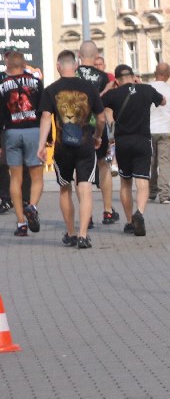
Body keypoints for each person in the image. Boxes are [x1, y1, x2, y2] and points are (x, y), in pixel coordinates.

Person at [37, 49, 107, 249]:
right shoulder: (89, 88)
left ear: (58, 66)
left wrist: (41, 146)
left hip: (62, 148)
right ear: (76, 66)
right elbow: (101, 118)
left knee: (65, 188)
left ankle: (71, 233)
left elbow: (45, 118)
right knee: (85, 189)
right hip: (85, 145)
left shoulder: (51, 90)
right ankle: (84, 235)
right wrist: (97, 136)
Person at [102, 65, 166, 238]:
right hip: (143, 141)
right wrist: (142, 84)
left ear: (116, 80)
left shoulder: (114, 94)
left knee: (125, 183)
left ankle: (130, 222)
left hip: (123, 143)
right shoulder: (146, 90)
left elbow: (96, 104)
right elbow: (163, 101)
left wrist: (108, 89)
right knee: (142, 180)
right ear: (133, 76)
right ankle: (140, 212)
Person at [1, 48, 44, 236]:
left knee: (15, 178)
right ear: (25, 65)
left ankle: (20, 223)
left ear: (8, 66)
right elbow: (44, 111)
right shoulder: (36, 82)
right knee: (36, 176)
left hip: (11, 132)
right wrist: (47, 139)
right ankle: (32, 206)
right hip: (33, 131)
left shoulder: (2, 84)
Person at [77, 40, 119, 227]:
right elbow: (103, 106)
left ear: (79, 56)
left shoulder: (72, 76)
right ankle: (108, 211)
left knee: (81, 170)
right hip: (97, 126)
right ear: (96, 58)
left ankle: (88, 216)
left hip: (76, 128)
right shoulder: (103, 78)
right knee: (104, 166)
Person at [146, 63, 170, 203]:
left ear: (155, 73)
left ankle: (151, 192)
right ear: (168, 75)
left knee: (150, 163)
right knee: (164, 163)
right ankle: (164, 196)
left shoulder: (147, 88)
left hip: (149, 131)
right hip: (166, 132)